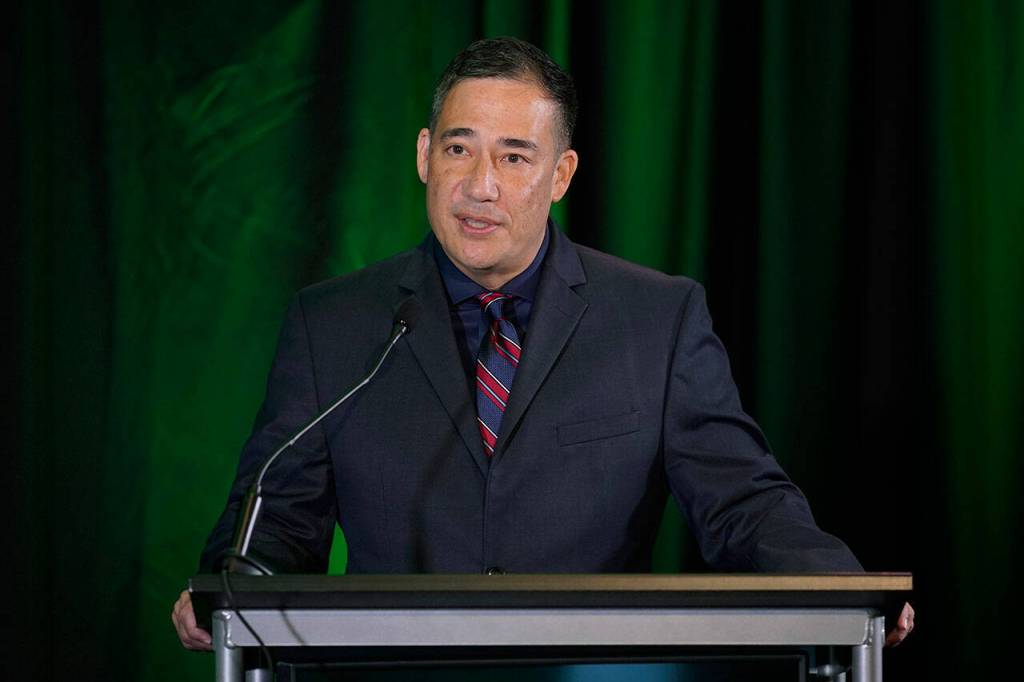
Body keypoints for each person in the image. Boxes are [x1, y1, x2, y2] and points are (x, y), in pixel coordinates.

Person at [173, 36, 913, 651]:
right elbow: (276, 516)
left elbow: (741, 501)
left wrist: (844, 591)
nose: (480, 185)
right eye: (459, 149)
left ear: (561, 175)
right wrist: (227, 590)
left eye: (514, 157)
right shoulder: (332, 323)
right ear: (425, 155)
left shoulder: (656, 319)